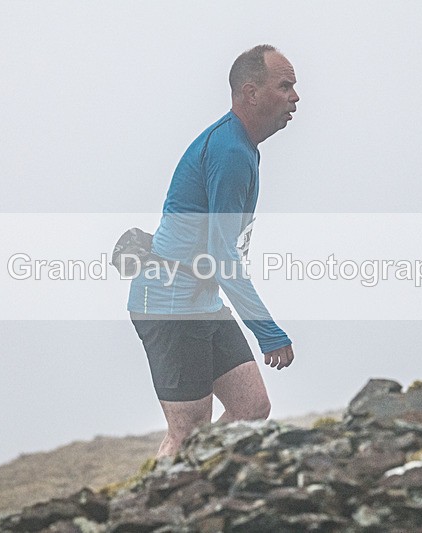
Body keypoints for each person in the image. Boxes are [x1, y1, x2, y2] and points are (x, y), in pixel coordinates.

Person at [127, 44, 299, 458]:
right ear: (251, 93)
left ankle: (193, 492)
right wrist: (268, 330)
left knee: (250, 407)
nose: (295, 97)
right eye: (285, 86)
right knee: (188, 433)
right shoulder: (230, 151)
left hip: (200, 300)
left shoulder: (241, 147)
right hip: (167, 305)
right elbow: (223, 257)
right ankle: (152, 511)